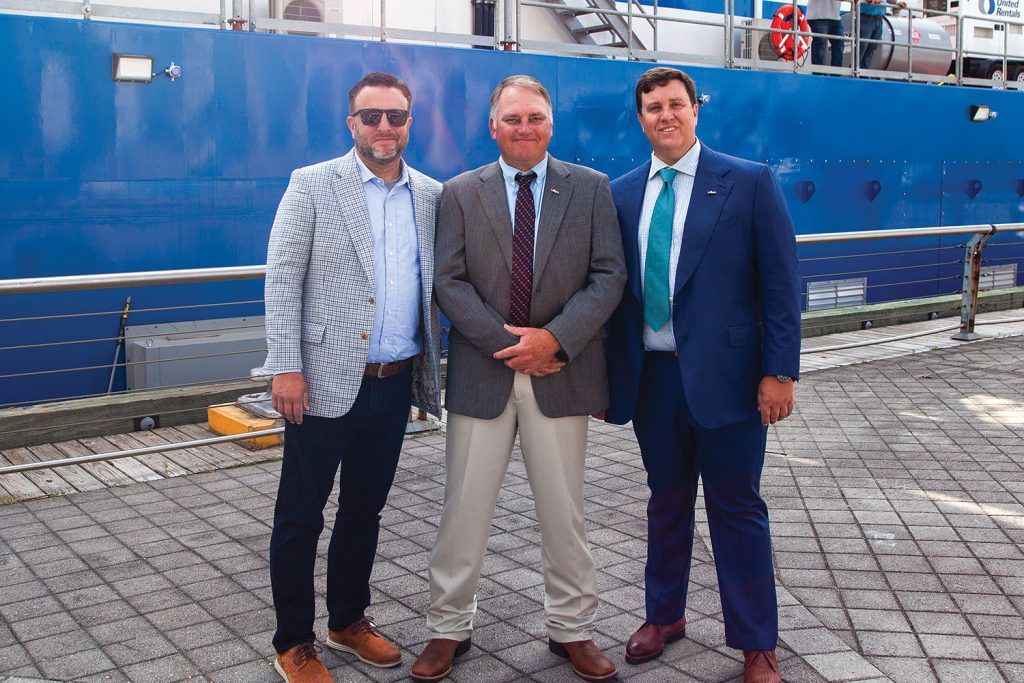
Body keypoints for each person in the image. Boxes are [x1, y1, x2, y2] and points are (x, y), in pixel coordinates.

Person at [411, 75, 626, 683]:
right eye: (512, 119)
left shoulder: (589, 189)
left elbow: (608, 276)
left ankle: (573, 629)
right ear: (493, 126)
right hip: (487, 375)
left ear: (550, 124)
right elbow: (448, 281)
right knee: (463, 512)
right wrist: (514, 345)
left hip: (561, 373)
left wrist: (554, 340)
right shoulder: (458, 193)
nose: (524, 128)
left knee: (565, 514)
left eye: (534, 117)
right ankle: (448, 628)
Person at [604, 67, 801, 683]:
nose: (665, 115)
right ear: (640, 119)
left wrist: (779, 372)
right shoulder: (622, 193)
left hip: (731, 381)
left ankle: (756, 641)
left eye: (676, 105)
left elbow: (780, 283)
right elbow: (613, 295)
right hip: (653, 380)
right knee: (665, 503)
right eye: (653, 107)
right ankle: (664, 616)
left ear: (696, 110)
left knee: (737, 507)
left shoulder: (746, 182)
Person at [263, 71, 442, 683]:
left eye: (395, 116)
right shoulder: (312, 184)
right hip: (319, 384)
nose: (384, 128)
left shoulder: (431, 194)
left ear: (409, 121)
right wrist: (285, 367)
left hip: (393, 384)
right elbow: (283, 279)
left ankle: (347, 621)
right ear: (352, 123)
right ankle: (293, 642)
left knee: (364, 511)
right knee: (300, 517)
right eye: (372, 117)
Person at [859, 0, 907, 69]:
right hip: (866, 18)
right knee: (862, 46)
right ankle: (855, 70)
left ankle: (864, 72)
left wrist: (897, 3)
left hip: (878, 19)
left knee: (872, 47)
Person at [807, 0, 844, 68]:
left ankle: (836, 74)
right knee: (819, 44)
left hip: (835, 17)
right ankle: (817, 74)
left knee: (839, 43)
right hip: (818, 16)